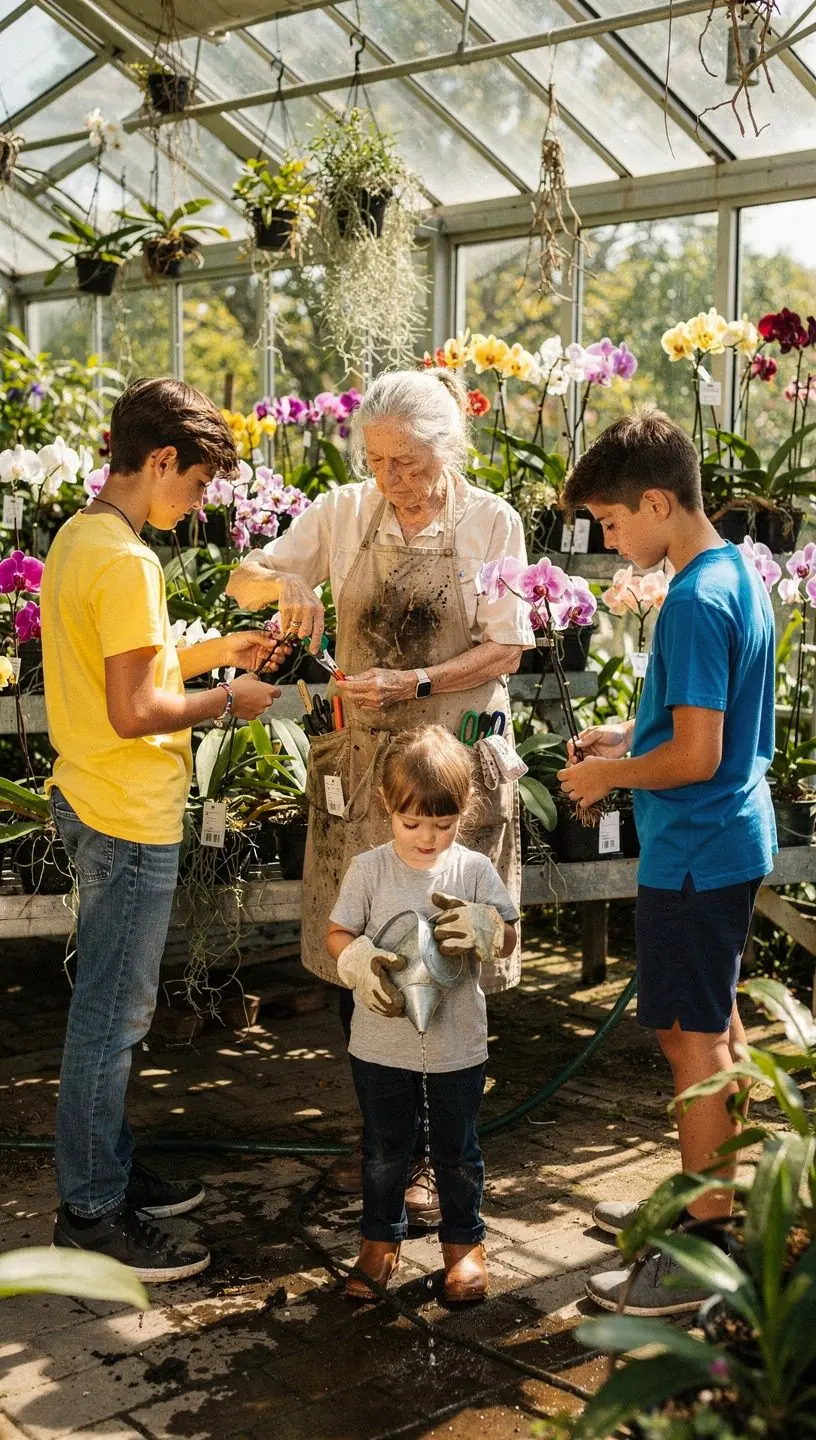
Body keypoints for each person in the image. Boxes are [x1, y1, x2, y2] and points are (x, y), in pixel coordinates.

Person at [228, 368, 534, 1211]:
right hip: (364, 770)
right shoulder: (343, 512)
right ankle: (382, 1143)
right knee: (362, 946)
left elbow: (508, 647)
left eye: (408, 462)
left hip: (450, 768)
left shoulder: (490, 522)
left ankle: (436, 1151)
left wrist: (417, 680)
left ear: (447, 450)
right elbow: (241, 580)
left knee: (447, 949)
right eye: (376, 460)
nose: (390, 478)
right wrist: (284, 583)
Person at [42, 377, 284, 1281]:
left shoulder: (82, 537)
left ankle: (106, 1167)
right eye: (198, 481)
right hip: (127, 811)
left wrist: (218, 652)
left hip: (92, 794)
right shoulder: (129, 562)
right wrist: (231, 699)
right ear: (161, 459)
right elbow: (137, 709)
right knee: (114, 1016)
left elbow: (127, 672)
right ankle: (91, 1210)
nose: (200, 500)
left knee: (112, 1009)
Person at [556, 409, 776, 1316]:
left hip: (692, 850)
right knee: (717, 1031)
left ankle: (701, 1254)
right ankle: (709, 1202)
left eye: (611, 523)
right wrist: (628, 735)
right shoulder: (733, 572)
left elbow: (694, 756)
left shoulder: (689, 601)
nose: (609, 542)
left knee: (691, 1045)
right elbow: (704, 725)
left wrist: (605, 774)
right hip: (732, 837)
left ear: (656, 502)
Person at [326, 726, 518, 1302]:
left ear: (465, 809)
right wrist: (356, 958)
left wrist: (490, 928)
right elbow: (337, 932)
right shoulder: (368, 869)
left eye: (443, 824)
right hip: (379, 1045)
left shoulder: (474, 871)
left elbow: (510, 936)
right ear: (386, 805)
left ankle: (464, 1245)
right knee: (384, 1149)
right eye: (411, 824)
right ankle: (379, 1243)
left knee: (457, 1149)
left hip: (458, 1043)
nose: (428, 838)